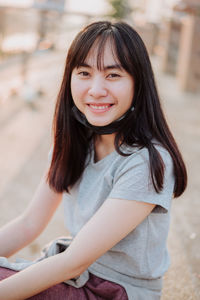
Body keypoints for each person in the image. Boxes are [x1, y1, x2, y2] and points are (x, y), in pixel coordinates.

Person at [0, 21, 187, 300]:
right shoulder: (76, 144)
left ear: (138, 83)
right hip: (76, 277)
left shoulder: (147, 161)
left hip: (116, 291)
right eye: (84, 73)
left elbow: (72, 261)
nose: (96, 89)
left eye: (113, 75)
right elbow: (29, 224)